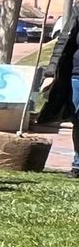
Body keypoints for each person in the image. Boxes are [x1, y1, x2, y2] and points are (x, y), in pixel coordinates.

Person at [37, 12, 77, 177]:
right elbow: (63, 42)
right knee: (78, 120)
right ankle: (78, 165)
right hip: (76, 76)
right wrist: (51, 73)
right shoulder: (78, 13)